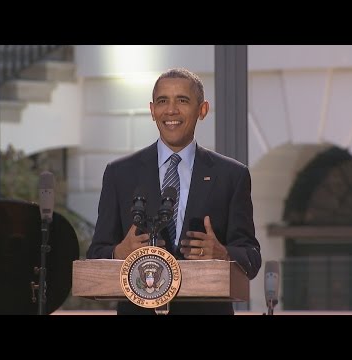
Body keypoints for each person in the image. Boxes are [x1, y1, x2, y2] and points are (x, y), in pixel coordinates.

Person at [86, 67, 261, 315]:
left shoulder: (232, 175)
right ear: (152, 110)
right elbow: (95, 253)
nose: (171, 110)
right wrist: (118, 252)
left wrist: (223, 254)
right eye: (162, 101)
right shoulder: (120, 173)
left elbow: (251, 257)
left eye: (182, 100)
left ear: (202, 110)